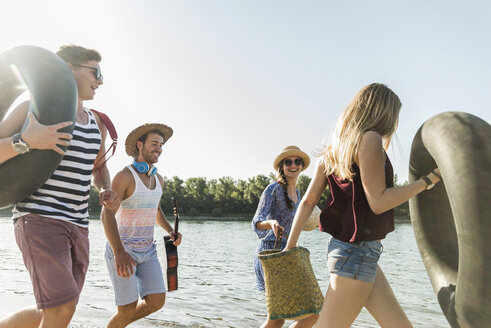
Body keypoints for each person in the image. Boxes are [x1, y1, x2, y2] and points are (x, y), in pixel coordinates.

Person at [284, 83, 442, 328]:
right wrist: (426, 181)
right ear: (383, 112)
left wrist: (289, 247)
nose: (395, 121)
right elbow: (378, 202)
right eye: (395, 114)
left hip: (356, 253)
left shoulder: (334, 148)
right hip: (355, 255)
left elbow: (308, 200)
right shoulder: (370, 139)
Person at [0, 44, 119, 328]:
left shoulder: (96, 123)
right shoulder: (32, 109)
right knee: (60, 307)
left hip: (78, 225)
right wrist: (26, 141)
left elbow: (98, 167)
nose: (100, 81)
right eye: (95, 72)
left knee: (57, 309)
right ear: (67, 70)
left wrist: (105, 188)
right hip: (39, 218)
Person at [101, 123, 182, 328]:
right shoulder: (125, 176)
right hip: (123, 250)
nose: (159, 148)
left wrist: (170, 231)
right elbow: (106, 214)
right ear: (140, 145)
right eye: (154, 143)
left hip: (148, 251)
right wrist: (119, 252)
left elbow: (155, 211)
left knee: (157, 301)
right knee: (127, 309)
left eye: (161, 144)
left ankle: (117, 325)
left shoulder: (159, 180)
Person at [252, 145, 318, 328]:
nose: (293, 165)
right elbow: (257, 222)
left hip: (288, 254)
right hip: (270, 254)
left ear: (302, 166)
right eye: (288, 162)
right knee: (277, 318)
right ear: (282, 166)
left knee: (310, 314)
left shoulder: (297, 193)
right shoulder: (273, 189)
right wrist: (271, 223)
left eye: (297, 161)